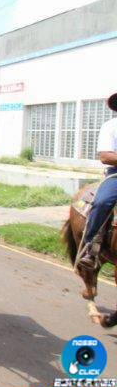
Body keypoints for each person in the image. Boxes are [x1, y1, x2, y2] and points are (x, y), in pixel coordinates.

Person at [76, 93, 117, 271]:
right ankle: (91, 248)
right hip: (116, 174)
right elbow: (105, 156)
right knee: (102, 202)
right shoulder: (110, 126)